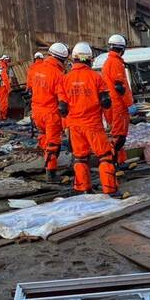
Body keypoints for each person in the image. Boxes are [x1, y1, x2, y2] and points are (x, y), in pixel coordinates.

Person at [57, 42, 119, 196]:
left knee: (80, 158)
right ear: (90, 59)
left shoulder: (65, 79)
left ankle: (83, 188)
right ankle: (110, 191)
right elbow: (106, 103)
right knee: (105, 156)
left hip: (75, 126)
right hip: (92, 125)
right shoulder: (96, 78)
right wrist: (110, 123)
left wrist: (66, 127)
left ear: (74, 59)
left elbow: (62, 108)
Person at [30, 43, 68, 183]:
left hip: (36, 111)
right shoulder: (58, 74)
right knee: (53, 144)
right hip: (50, 113)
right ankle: (51, 174)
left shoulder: (37, 69)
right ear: (62, 59)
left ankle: (45, 162)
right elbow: (62, 102)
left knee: (44, 138)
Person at [101, 34, 134, 167]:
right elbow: (119, 87)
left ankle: (119, 161)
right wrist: (129, 103)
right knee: (119, 137)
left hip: (113, 104)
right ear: (122, 48)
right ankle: (111, 163)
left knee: (117, 135)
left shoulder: (110, 61)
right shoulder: (115, 63)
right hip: (118, 105)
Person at [0, 54, 12, 120]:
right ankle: (3, 117)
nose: (8, 62)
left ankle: (0, 116)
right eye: (7, 60)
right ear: (4, 60)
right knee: (4, 103)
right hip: (3, 88)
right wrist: (9, 88)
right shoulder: (3, 68)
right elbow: (5, 80)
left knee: (1, 103)